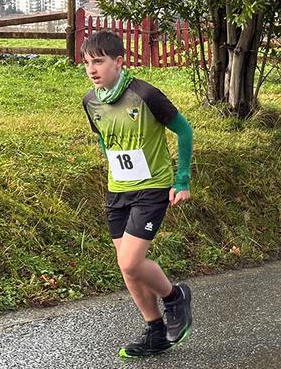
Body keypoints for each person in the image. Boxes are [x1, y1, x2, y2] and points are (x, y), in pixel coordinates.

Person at [80, 31, 194, 357]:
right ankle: (156, 330)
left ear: (119, 61)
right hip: (118, 192)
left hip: (152, 188)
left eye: (99, 61)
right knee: (126, 266)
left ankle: (174, 297)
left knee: (131, 261)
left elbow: (183, 130)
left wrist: (181, 180)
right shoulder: (91, 102)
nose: (92, 69)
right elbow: (105, 139)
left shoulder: (145, 94)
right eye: (87, 62)